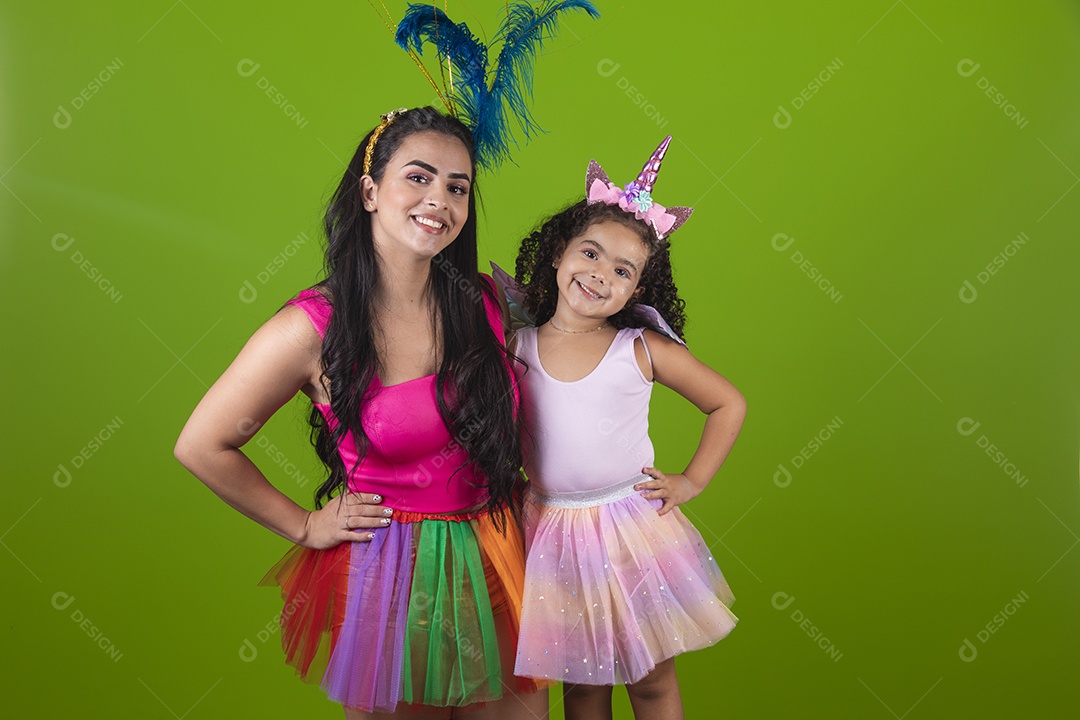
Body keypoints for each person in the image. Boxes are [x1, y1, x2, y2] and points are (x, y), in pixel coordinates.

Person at [174, 106, 548, 719]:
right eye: (419, 177)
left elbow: (579, 363)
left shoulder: (485, 301)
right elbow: (201, 445)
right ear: (370, 192)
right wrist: (304, 525)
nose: (440, 200)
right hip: (395, 574)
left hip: (501, 555)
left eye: (458, 187)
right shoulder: (310, 328)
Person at [507, 136, 745, 720]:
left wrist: (691, 480)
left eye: (621, 270)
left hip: (627, 529)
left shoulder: (640, 348)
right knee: (583, 684)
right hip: (550, 530)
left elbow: (727, 404)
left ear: (637, 289)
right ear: (558, 253)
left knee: (651, 679)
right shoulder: (516, 345)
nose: (599, 275)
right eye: (589, 254)